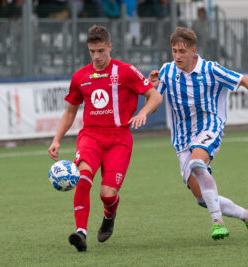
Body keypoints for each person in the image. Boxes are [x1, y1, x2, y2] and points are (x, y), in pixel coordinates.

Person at [148, 27, 248, 240]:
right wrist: (151, 88)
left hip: (209, 127)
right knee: (201, 198)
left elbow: (247, 81)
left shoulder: (211, 69)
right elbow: (154, 100)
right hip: (181, 139)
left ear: (193, 51)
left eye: (182, 51)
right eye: (174, 51)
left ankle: (217, 221)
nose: (177, 56)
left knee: (197, 164)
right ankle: (247, 216)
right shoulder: (167, 71)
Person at [47, 25, 163, 252]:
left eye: (101, 50)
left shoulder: (126, 71)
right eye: (92, 51)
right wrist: (56, 139)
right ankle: (80, 233)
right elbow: (70, 112)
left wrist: (142, 112)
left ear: (110, 47)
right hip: (91, 136)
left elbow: (155, 96)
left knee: (107, 194)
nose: (97, 56)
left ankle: (110, 213)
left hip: (119, 139)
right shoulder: (80, 76)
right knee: (83, 178)